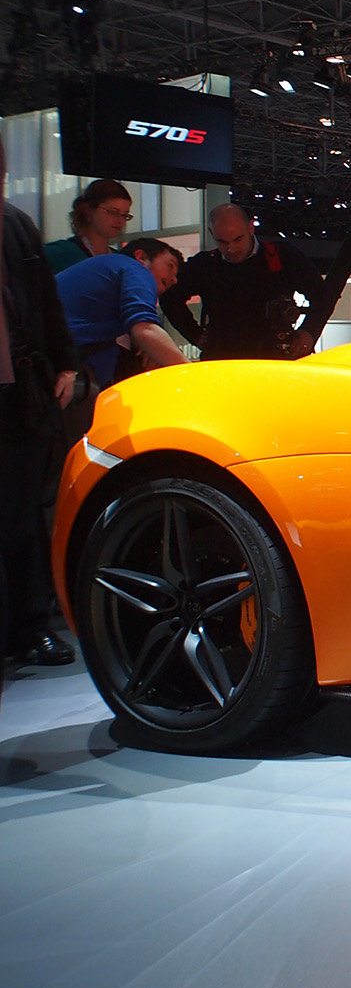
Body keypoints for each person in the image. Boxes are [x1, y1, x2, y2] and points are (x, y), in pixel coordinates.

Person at [2, 133, 83, 668]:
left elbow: (47, 302)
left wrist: (67, 363)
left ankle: (30, 627)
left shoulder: (15, 224)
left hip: (18, 393)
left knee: (22, 513)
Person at [161, 203, 326, 360]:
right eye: (222, 242)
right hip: (223, 358)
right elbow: (169, 297)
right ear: (212, 234)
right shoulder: (205, 264)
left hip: (273, 355)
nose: (231, 249)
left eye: (238, 239)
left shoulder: (283, 256)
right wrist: (194, 334)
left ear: (251, 228)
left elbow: (323, 296)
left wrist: (308, 332)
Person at [55, 237, 188, 392]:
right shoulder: (135, 269)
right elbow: (145, 329)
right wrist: (191, 372)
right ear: (141, 257)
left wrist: (151, 347)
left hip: (54, 357)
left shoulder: (107, 271)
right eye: (169, 265)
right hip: (61, 364)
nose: (174, 280)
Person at [43, 178, 133, 276]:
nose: (120, 220)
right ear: (88, 210)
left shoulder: (120, 260)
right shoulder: (60, 254)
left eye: (125, 215)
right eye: (113, 212)